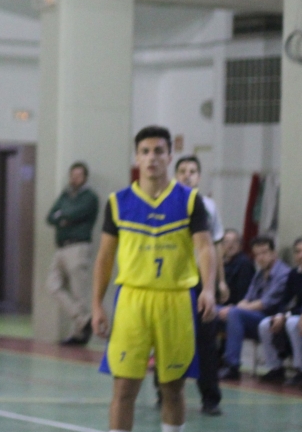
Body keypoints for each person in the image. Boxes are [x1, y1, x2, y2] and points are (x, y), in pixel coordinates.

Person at [91, 125, 215, 432]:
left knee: (172, 387)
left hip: (175, 299)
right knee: (124, 388)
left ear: (170, 156)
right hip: (132, 300)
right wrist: (96, 304)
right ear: (136, 157)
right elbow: (105, 257)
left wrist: (209, 289)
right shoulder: (118, 202)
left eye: (159, 151)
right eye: (145, 152)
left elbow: (204, 247)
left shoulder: (190, 200)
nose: (151, 158)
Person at [155, 156, 224, 415]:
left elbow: (214, 245)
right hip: (172, 282)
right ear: (175, 175)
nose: (187, 175)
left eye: (193, 171)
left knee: (206, 341)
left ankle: (210, 398)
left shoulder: (208, 206)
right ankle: (163, 392)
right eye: (182, 171)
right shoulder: (166, 202)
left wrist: (219, 282)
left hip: (200, 281)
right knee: (167, 339)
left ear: (199, 176)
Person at [218, 236, 290, 380]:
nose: (260, 258)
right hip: (254, 317)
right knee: (213, 311)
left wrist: (237, 309)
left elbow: (265, 303)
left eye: (264, 253)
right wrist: (235, 307)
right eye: (257, 254)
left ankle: (232, 366)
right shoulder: (259, 273)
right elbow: (248, 297)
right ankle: (209, 360)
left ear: (274, 253)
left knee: (234, 313)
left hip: (271, 319)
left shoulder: (283, 273)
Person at [46, 161, 99, 345]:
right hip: (61, 247)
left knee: (79, 293)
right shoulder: (65, 194)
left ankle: (78, 335)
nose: (75, 179)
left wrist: (64, 216)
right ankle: (83, 320)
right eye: (73, 175)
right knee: (52, 285)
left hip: (78, 247)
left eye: (79, 175)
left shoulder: (90, 197)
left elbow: (73, 214)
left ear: (85, 177)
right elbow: (51, 216)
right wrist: (63, 217)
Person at [257, 236, 302, 384]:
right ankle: (275, 367)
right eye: (298, 251)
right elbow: (286, 300)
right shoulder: (293, 274)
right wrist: (280, 315)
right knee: (265, 324)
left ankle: (301, 370)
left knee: (292, 323)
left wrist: (288, 316)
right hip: (293, 314)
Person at [221, 229, 255, 305]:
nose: (230, 246)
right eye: (226, 242)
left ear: (240, 245)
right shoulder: (220, 262)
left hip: (235, 305)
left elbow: (243, 291)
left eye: (234, 242)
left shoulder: (244, 263)